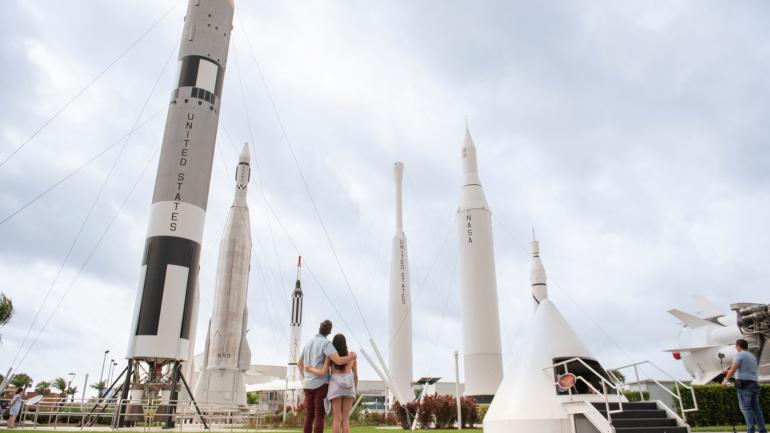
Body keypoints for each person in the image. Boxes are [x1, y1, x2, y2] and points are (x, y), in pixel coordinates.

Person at [297, 320, 357, 433]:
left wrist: (304, 377)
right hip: (321, 384)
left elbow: (299, 363)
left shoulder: (308, 343)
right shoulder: (326, 344)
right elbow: (339, 361)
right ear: (329, 331)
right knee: (323, 416)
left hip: (309, 384)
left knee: (310, 416)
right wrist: (353, 356)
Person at [722, 339, 767, 433]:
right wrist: (730, 372)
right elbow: (744, 370)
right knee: (756, 408)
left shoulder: (739, 354)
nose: (736, 348)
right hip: (754, 384)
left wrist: (725, 380)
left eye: (736, 346)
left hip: (745, 386)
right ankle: (762, 430)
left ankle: (750, 430)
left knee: (746, 408)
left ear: (738, 346)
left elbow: (733, 369)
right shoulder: (752, 356)